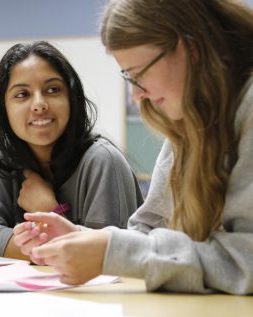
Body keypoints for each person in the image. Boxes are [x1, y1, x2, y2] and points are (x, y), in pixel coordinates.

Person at [16, 0, 253, 294]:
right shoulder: (186, 123)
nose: (137, 94)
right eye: (129, 77)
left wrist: (111, 253)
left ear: (190, 48)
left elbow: (246, 259)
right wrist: (80, 238)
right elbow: (150, 233)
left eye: (139, 74)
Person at [0, 41, 143, 260]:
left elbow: (105, 257)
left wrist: (52, 212)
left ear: (71, 98)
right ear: (4, 108)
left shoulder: (102, 161)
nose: (39, 104)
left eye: (53, 90)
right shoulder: (4, 160)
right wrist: (52, 244)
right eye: (22, 94)